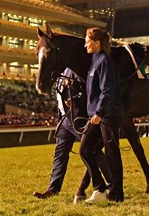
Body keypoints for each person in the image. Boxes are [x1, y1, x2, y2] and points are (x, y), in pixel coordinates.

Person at [33, 67, 112, 201]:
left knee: (93, 152)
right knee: (60, 155)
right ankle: (53, 189)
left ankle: (112, 184)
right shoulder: (58, 72)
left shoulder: (76, 69)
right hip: (64, 120)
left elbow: (89, 92)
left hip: (78, 119)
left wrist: (76, 101)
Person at [80, 27, 124, 203]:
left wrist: (98, 112)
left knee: (112, 153)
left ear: (97, 43)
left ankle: (116, 194)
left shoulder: (104, 61)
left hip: (106, 115)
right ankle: (100, 187)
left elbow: (107, 90)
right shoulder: (95, 60)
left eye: (87, 41)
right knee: (85, 150)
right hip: (97, 115)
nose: (85, 45)